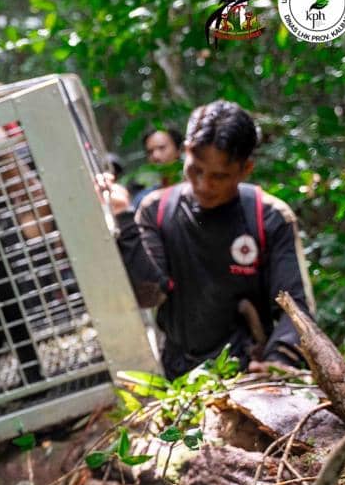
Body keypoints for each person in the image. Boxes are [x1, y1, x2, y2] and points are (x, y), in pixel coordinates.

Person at [101, 99, 314, 379]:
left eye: (219, 176)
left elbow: (296, 311)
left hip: (251, 376)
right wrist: (124, 220)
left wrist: (278, 361)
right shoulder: (157, 209)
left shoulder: (270, 217)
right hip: (179, 377)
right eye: (196, 169)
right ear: (186, 151)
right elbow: (149, 293)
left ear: (245, 169)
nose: (204, 184)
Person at [128, 126, 183, 209]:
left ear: (179, 150)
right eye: (150, 152)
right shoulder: (144, 200)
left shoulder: (199, 190)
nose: (155, 156)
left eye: (162, 148)